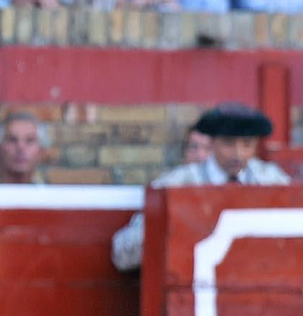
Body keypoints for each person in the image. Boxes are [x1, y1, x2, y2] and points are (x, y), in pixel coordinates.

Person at [110, 105, 289, 272]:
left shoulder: (272, 180)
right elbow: (122, 254)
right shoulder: (177, 184)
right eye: (228, 143)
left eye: (247, 144)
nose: (238, 154)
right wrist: (173, 227)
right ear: (212, 142)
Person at [0, 112, 47, 185]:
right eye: (12, 139)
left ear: (41, 151)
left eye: (30, 140)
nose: (20, 147)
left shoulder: (51, 190)